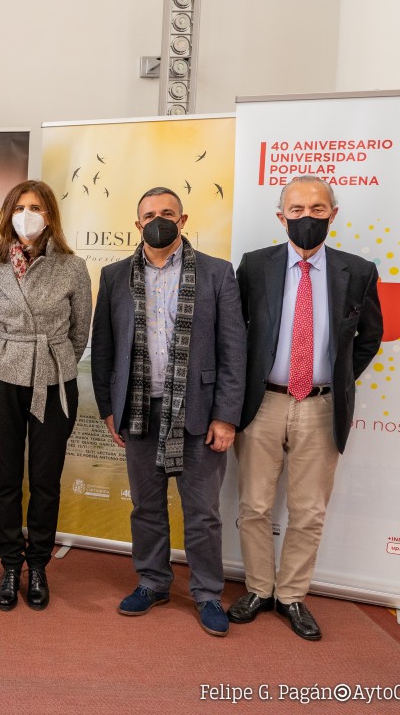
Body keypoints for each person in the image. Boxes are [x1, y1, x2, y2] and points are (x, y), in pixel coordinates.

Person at [228, 176, 382, 641]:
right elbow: (235, 334)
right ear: (281, 216)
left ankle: (291, 596)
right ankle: (258, 588)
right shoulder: (255, 266)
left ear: (334, 214)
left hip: (321, 405)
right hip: (263, 403)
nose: (307, 217)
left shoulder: (358, 270)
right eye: (296, 210)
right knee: (254, 505)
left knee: (309, 510)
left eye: (318, 209)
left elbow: (369, 336)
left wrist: (333, 378)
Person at [91, 186, 246, 637]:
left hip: (198, 412)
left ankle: (206, 593)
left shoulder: (217, 273)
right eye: (150, 214)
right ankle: (154, 582)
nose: (159, 220)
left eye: (168, 213)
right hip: (138, 410)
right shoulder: (115, 275)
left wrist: (226, 416)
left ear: (183, 220)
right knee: (146, 507)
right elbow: (103, 347)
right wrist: (107, 407)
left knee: (202, 512)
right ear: (137, 224)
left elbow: (233, 350)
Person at [0, 180, 91, 611]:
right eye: (20, 207)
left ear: (50, 216)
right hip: (2, 377)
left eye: (36, 207)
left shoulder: (72, 266)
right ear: (8, 214)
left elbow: (80, 332)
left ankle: (38, 565)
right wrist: (8, 358)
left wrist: (52, 359)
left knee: (45, 479)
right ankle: (9, 565)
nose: (28, 214)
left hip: (55, 377)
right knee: (5, 477)